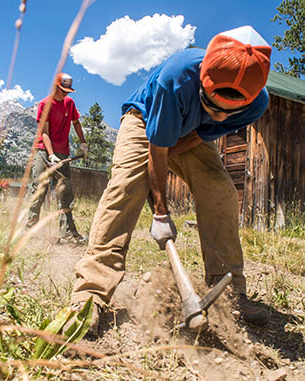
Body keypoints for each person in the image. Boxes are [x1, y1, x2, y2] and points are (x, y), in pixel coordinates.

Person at [69, 26, 273, 337]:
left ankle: (230, 292)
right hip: (144, 121)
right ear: (203, 80)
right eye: (213, 105)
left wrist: (158, 184)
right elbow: (158, 148)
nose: (220, 117)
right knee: (125, 188)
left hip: (190, 134)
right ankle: (90, 294)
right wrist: (160, 212)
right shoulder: (175, 78)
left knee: (219, 190)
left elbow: (191, 140)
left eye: (227, 113)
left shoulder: (257, 104)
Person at [26, 73, 88, 244]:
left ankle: (68, 234)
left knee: (64, 194)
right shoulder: (45, 104)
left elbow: (76, 123)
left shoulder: (70, 103)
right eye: (63, 91)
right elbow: (44, 132)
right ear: (55, 87)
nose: (65, 94)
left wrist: (83, 143)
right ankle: (30, 230)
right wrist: (51, 154)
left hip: (63, 153)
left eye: (68, 91)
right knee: (39, 189)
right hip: (43, 152)